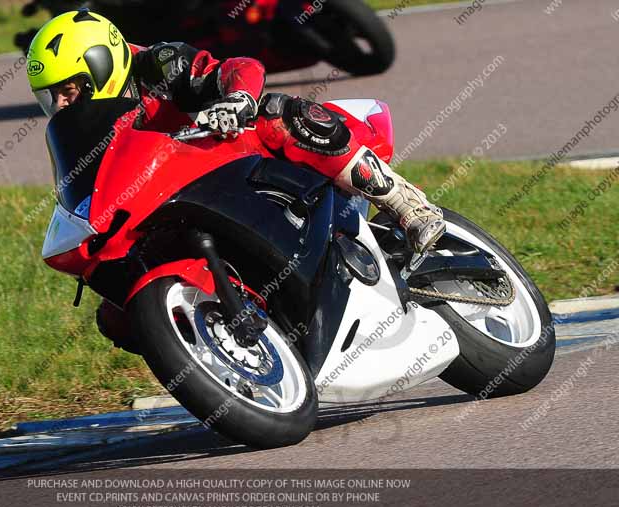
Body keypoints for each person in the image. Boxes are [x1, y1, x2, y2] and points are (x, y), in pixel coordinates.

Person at [26, 10, 445, 349]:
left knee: (279, 113)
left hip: (231, 156)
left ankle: (403, 201)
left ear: (101, 64)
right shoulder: (83, 131)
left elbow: (238, 67)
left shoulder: (158, 64)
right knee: (115, 319)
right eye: (52, 96)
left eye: (70, 89)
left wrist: (237, 100)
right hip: (166, 198)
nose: (63, 103)